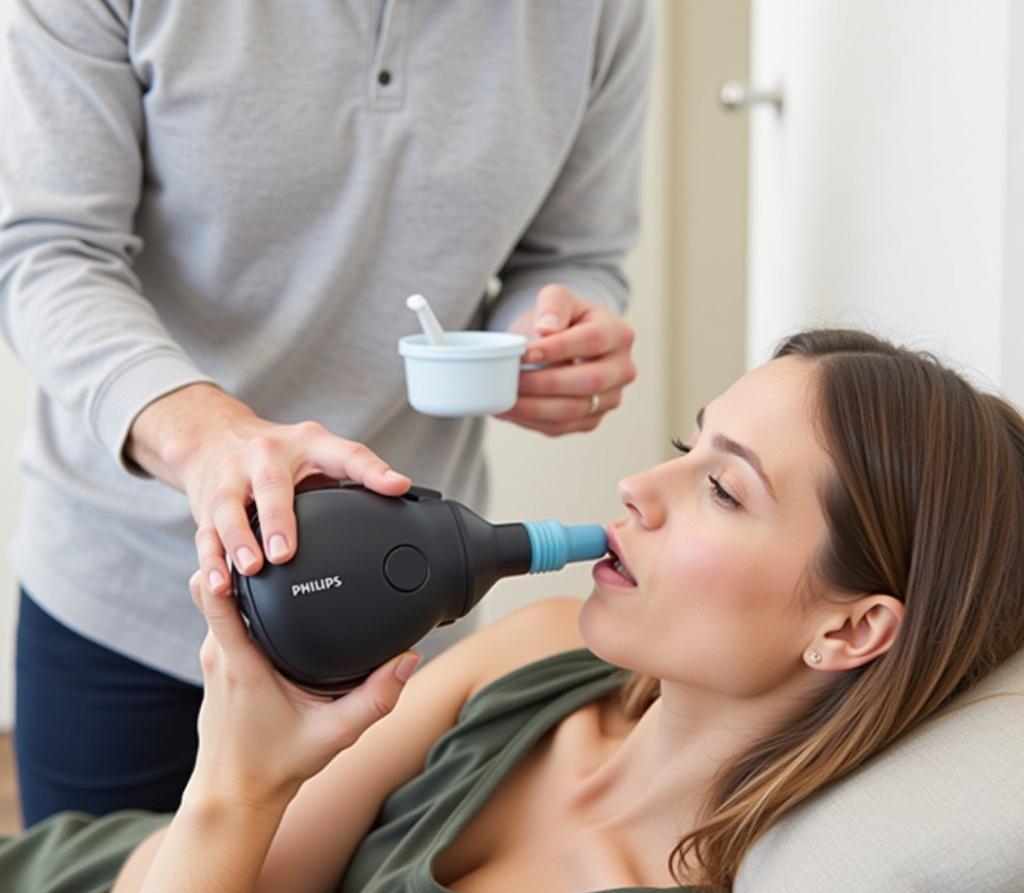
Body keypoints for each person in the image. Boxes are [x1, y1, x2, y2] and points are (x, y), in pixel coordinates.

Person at [2, 329, 1023, 893]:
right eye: (685, 443)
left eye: (720, 486)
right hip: (48, 889)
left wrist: (239, 782)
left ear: (852, 628)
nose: (638, 485)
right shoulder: (541, 650)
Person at [0, 0, 648, 825]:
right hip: (131, 588)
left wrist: (551, 334)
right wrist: (205, 436)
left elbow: (575, 255)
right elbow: (48, 250)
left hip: (393, 615)